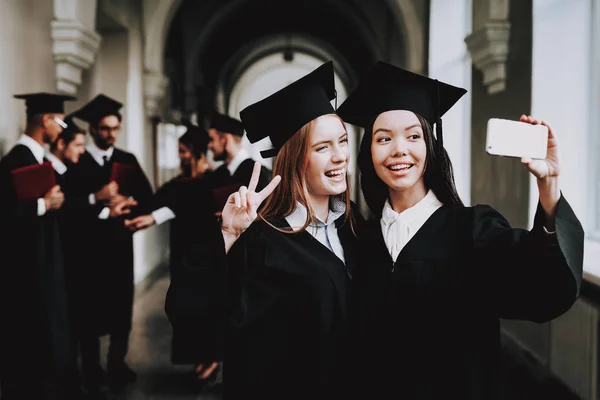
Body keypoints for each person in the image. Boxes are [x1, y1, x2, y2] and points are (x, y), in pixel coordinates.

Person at [336, 61, 584, 399]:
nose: (399, 149)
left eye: (413, 135)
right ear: (369, 152)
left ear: (431, 146)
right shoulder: (359, 240)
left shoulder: (473, 232)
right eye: (383, 138)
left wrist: (549, 185)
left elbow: (545, 289)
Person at [182, 61, 362, 399]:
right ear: (294, 158)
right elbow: (196, 314)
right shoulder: (261, 240)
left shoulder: (356, 230)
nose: (340, 157)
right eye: (323, 147)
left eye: (342, 141)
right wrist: (229, 236)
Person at [68, 94, 154, 393]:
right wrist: (104, 207)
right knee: (89, 307)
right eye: (105, 128)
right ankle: (90, 366)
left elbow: (148, 198)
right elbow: (69, 208)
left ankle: (117, 362)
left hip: (119, 246)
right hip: (88, 249)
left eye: (115, 128)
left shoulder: (126, 160)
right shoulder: (77, 164)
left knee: (120, 305)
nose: (111, 134)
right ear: (92, 129)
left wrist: (130, 203)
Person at [124, 122, 218, 374]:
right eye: (179, 151)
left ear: (197, 152)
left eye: (184, 151)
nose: (181, 157)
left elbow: (190, 207)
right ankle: (199, 355)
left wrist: (156, 216)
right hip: (181, 254)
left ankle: (211, 357)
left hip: (208, 256)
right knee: (185, 307)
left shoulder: (213, 181)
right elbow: (159, 203)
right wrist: (144, 214)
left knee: (206, 307)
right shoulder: (179, 182)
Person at [0, 93, 75, 399]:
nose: (63, 128)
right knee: (31, 341)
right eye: (60, 121)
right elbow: (5, 214)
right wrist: (43, 205)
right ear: (46, 120)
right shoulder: (16, 160)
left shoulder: (40, 160)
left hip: (44, 261)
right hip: (25, 269)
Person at [207, 110, 271, 190]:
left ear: (225, 139)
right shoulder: (218, 174)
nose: (209, 146)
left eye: (211, 140)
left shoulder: (259, 174)